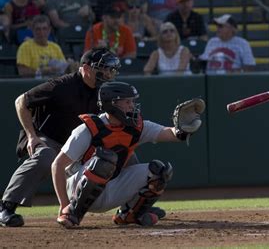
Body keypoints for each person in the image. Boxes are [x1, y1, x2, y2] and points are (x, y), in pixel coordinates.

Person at [51, 81, 205, 228]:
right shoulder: (87, 129)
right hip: (76, 189)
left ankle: (128, 215)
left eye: (132, 101)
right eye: (127, 102)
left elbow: (169, 133)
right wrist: (64, 204)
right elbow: (57, 165)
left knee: (160, 171)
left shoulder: (135, 126)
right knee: (104, 160)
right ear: (112, 104)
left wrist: (182, 129)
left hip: (110, 188)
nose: (132, 106)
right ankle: (72, 214)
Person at [0, 47, 119, 227]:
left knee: (118, 149)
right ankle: (6, 207)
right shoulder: (62, 85)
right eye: (102, 69)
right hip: (47, 137)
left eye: (109, 69)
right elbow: (21, 101)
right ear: (86, 68)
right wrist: (32, 136)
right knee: (46, 156)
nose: (107, 74)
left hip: (76, 144)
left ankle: (132, 207)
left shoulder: (102, 91)